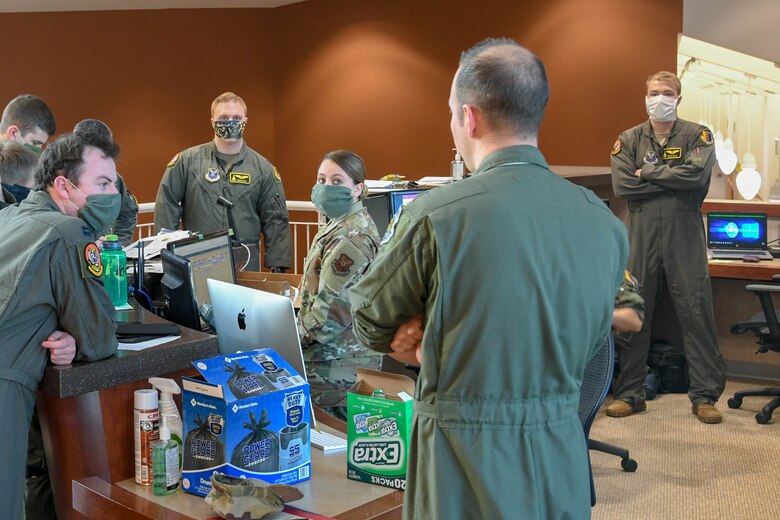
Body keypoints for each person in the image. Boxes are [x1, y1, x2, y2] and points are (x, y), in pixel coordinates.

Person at [349, 38, 628, 519]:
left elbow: (369, 320)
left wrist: (421, 337)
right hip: (561, 453)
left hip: (462, 458)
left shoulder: (437, 216)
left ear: (469, 118)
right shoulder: (605, 224)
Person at [0, 128, 120, 519]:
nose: (112, 195)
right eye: (101, 183)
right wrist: (77, 331)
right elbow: (100, 337)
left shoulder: (10, 217)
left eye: (114, 184)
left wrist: (65, 330)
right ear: (64, 186)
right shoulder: (69, 234)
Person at [608, 71, 726, 424]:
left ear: (678, 98)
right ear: (645, 97)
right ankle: (630, 394)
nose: (659, 98)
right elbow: (622, 184)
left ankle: (704, 396)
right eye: (654, 92)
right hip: (640, 230)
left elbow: (695, 175)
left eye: (667, 92)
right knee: (633, 311)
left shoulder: (698, 135)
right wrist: (668, 176)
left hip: (683, 230)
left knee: (695, 310)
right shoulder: (627, 139)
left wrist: (648, 174)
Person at [154, 92, 292, 272]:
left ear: (246, 121)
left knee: (242, 301)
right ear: (212, 122)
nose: (230, 122)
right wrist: (167, 255)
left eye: (236, 117)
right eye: (224, 117)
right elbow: (167, 204)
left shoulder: (262, 168)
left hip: (245, 259)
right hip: (198, 256)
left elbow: (275, 218)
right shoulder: (187, 162)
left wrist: (278, 265)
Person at [297, 150, 382, 420]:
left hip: (335, 368)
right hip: (329, 358)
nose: (325, 188)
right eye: (321, 179)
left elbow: (328, 316)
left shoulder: (351, 237)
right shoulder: (340, 224)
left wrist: (286, 337)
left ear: (357, 189)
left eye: (336, 181)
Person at [73, 119, 139, 245]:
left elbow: (127, 212)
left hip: (102, 255)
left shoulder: (114, 180)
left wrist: (118, 244)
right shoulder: (65, 180)